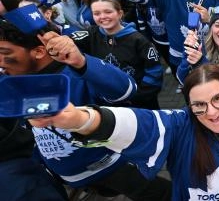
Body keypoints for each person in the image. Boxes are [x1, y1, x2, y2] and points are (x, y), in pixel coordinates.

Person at [29, 64, 219, 201]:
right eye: (199, 105)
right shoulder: (180, 125)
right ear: (188, 106)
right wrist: (82, 120)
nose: (212, 112)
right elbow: (142, 124)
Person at [0, 20, 171, 200]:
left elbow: (126, 89)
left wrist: (81, 61)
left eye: (4, 53)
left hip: (111, 166)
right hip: (66, 175)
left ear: (39, 51)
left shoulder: (76, 74)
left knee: (162, 194)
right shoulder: (13, 83)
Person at [71, 0, 163, 109]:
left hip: (138, 104)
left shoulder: (139, 41)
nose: (102, 17)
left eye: (108, 12)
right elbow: (66, 41)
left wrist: (136, 96)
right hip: (106, 105)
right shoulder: (91, 34)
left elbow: (155, 73)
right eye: (97, 13)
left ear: (120, 14)